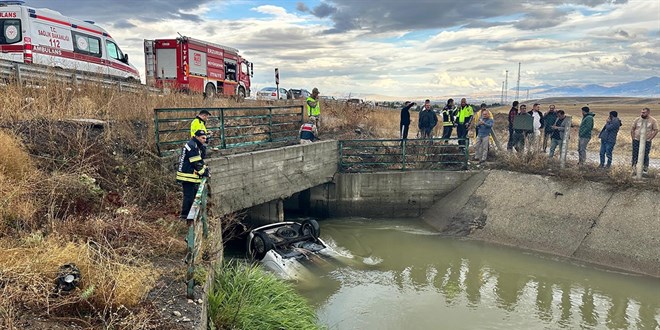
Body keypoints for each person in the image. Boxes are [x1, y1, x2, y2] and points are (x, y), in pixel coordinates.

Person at [176, 130, 209, 223]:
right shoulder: (192, 146)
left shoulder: (195, 145)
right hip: (187, 176)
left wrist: (203, 148)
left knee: (193, 196)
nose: (204, 140)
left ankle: (192, 216)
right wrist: (204, 172)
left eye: (205, 138)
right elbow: (196, 162)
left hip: (189, 175)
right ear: (197, 137)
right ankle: (185, 217)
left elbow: (200, 160)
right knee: (189, 196)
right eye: (203, 138)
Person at [630, 107, 659, 173]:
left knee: (645, 154)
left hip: (646, 141)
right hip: (637, 140)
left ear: (648, 113)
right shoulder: (637, 119)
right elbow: (632, 129)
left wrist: (650, 138)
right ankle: (633, 168)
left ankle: (645, 169)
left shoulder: (653, 120)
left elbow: (656, 130)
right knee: (635, 154)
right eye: (641, 112)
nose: (642, 114)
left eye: (644, 112)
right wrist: (633, 138)